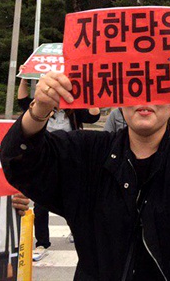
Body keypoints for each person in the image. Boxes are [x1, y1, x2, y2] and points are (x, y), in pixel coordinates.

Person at [0, 62, 170, 280]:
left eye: (158, 87)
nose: (146, 98)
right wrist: (40, 108)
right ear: (118, 98)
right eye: (135, 86)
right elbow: (21, 159)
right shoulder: (86, 154)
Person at [16, 75, 101, 260]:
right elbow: (22, 101)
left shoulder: (74, 111)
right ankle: (42, 243)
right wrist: (24, 78)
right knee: (41, 203)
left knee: (76, 199)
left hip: (71, 160)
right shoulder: (41, 108)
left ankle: (76, 231)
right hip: (46, 160)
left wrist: (87, 93)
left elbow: (94, 115)